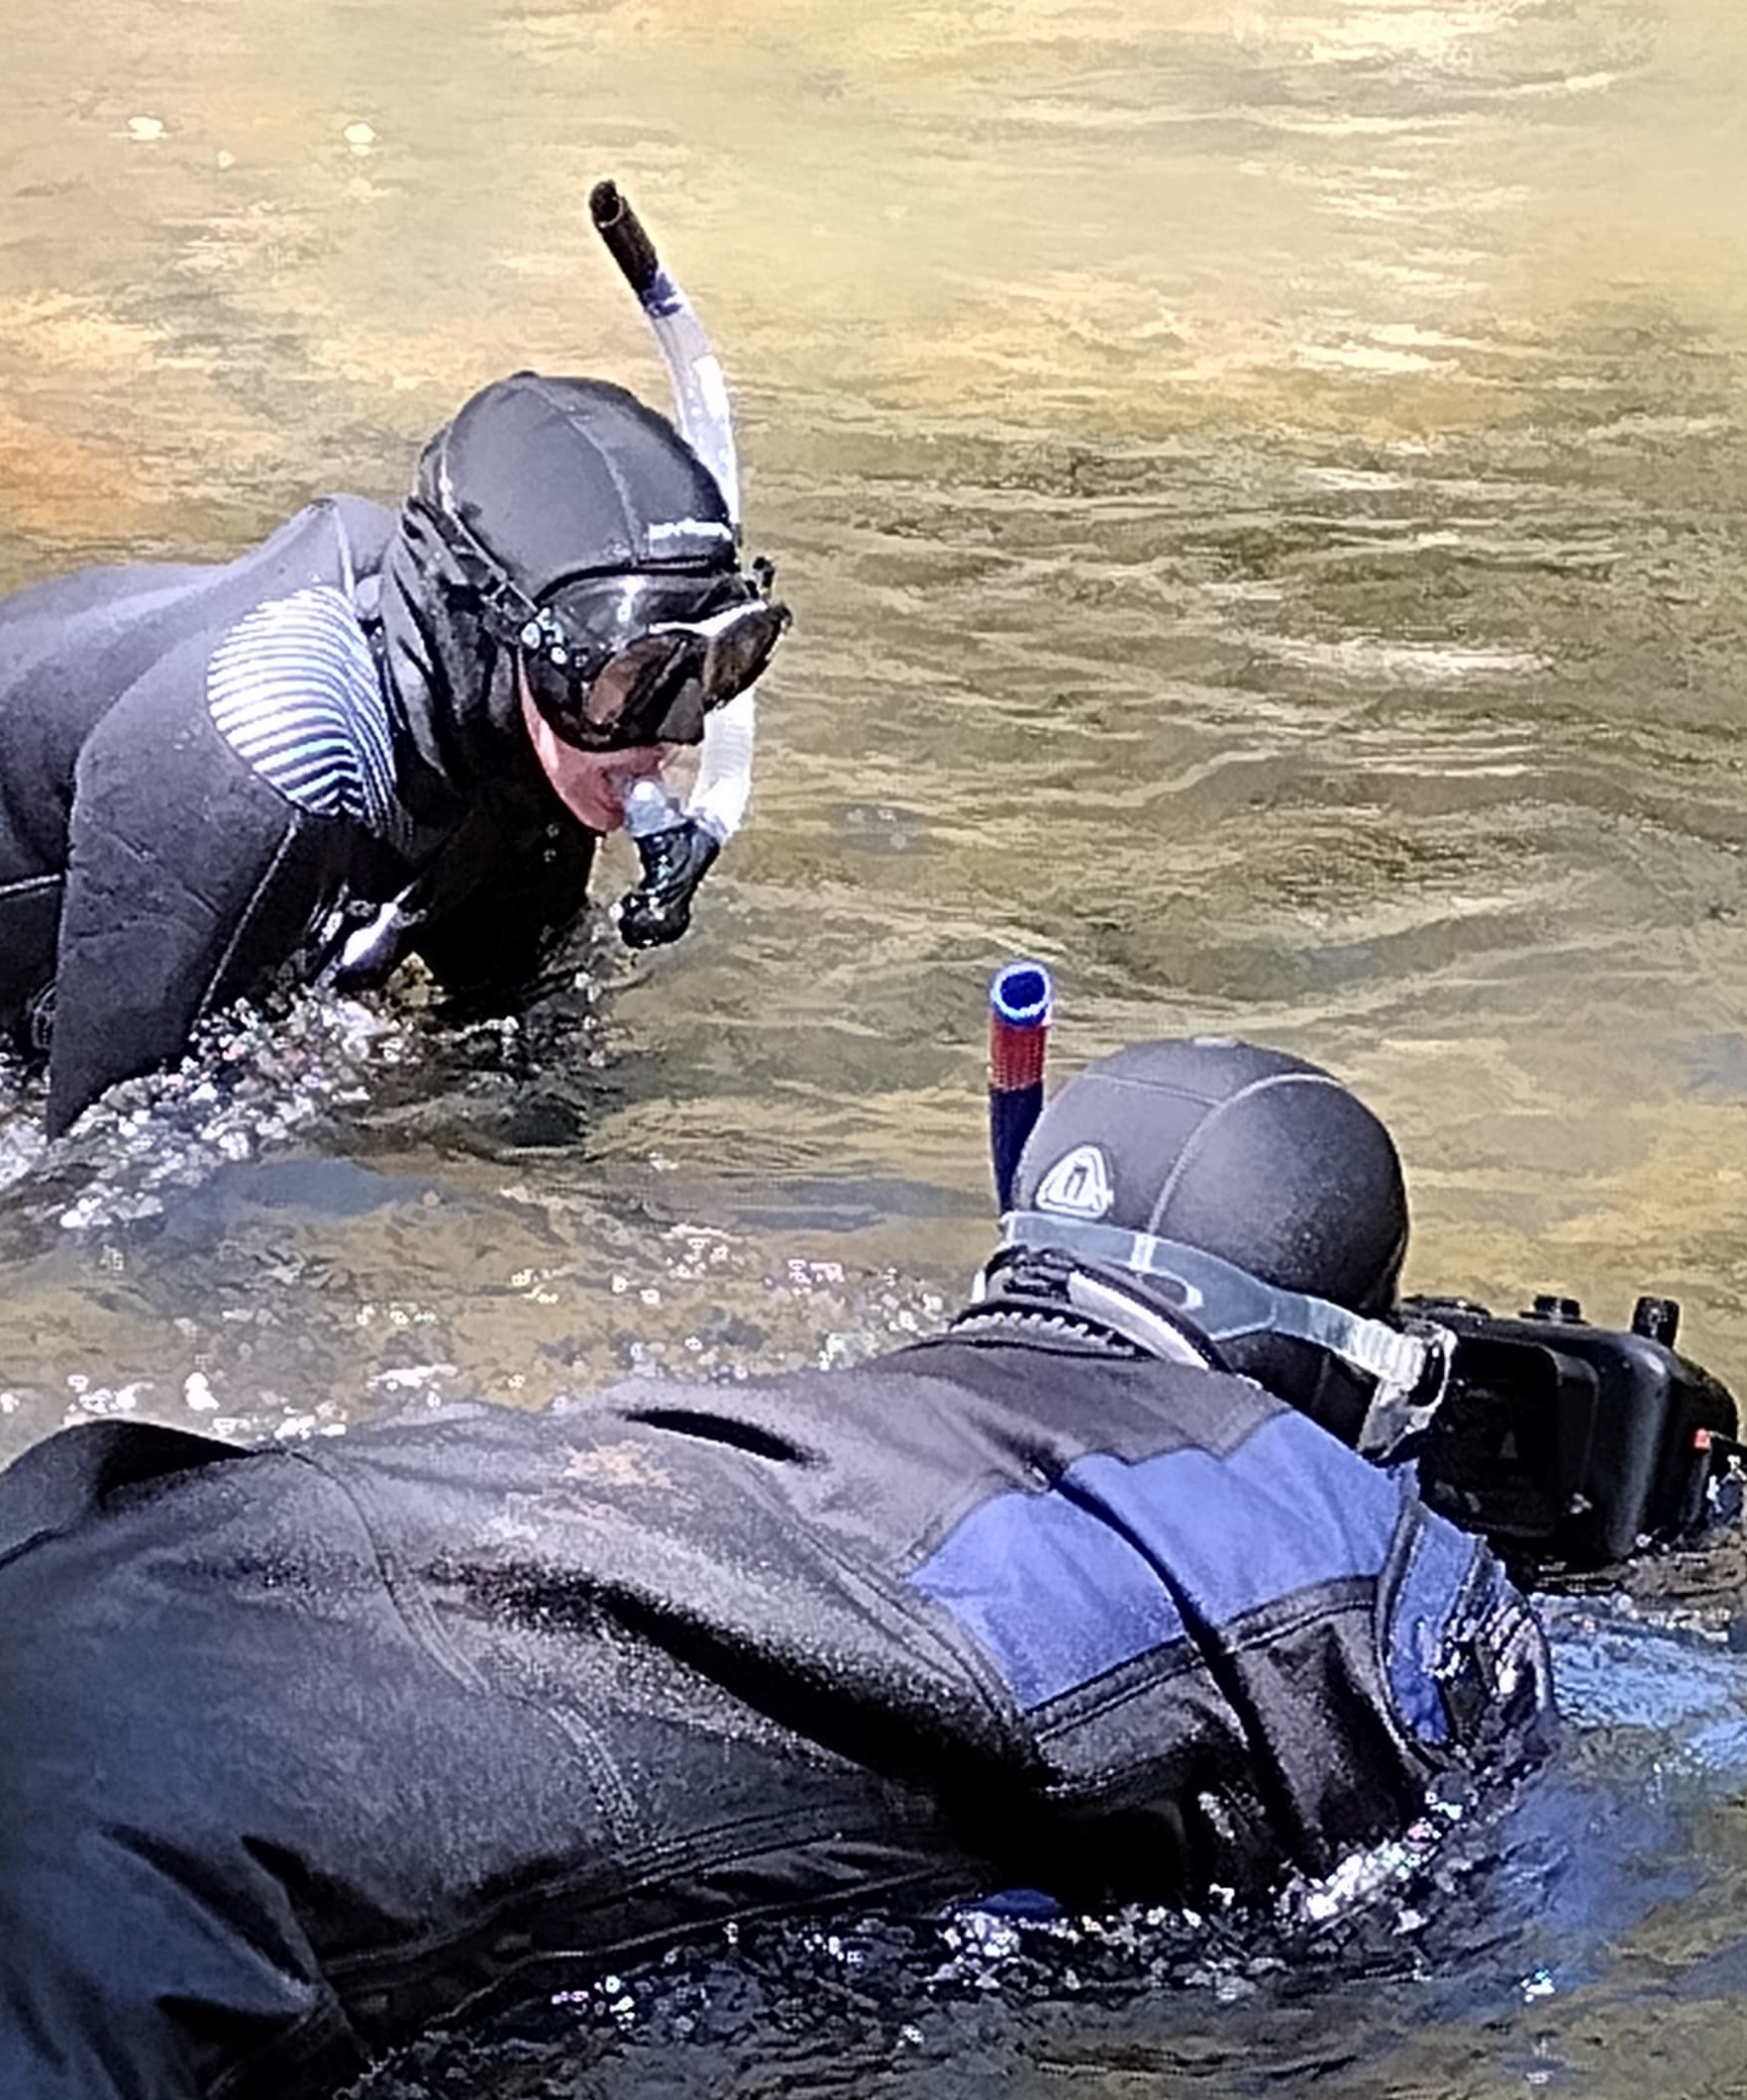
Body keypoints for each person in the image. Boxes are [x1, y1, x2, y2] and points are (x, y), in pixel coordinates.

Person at [0, 1038, 1550, 2100]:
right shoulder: (1325, 1546)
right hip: (160, 1893)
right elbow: (1470, 1936)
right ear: (1359, 1361)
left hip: (97, 1567)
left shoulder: (833, 1421)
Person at [0, 368, 788, 1136]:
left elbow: (517, 1039)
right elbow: (107, 1172)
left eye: (718, 666)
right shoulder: (270, 760)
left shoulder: (520, 732)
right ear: (493, 628)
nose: (675, 734)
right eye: (631, 676)